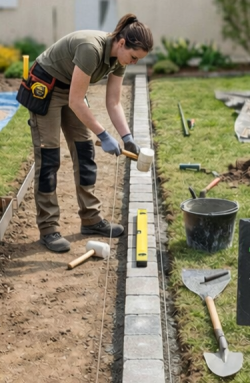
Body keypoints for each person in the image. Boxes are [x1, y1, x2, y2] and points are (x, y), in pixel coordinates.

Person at [17, 13, 153, 253]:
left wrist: (127, 137)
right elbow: (77, 101)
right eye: (133, 57)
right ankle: (49, 229)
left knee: (85, 152)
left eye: (137, 60)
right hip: (47, 88)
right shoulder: (91, 49)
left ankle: (91, 220)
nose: (133, 62)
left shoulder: (119, 60)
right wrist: (103, 135)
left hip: (71, 89)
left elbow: (114, 102)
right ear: (122, 43)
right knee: (49, 159)